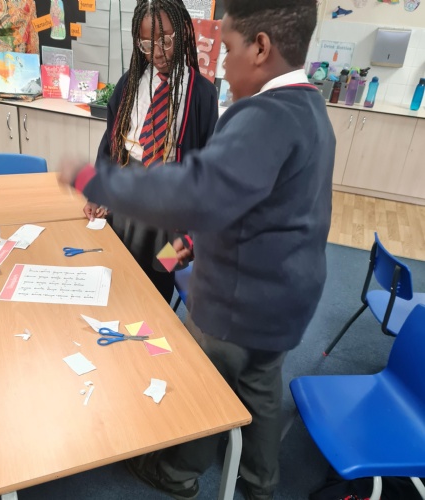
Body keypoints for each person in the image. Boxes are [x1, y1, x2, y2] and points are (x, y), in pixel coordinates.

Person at [63, 0, 335, 498]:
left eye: (228, 49)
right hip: (283, 295)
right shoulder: (309, 108)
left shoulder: (263, 116)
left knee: (203, 380)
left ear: (260, 48)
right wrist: (188, 241)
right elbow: (245, 196)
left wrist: (92, 181)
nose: (223, 64)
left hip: (236, 299)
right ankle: (261, 483)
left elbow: (198, 190)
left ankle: (178, 472)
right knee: (259, 382)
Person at [82, 0, 219, 303]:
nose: (157, 52)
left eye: (165, 40)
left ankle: (154, 320)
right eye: (146, 44)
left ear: (184, 32)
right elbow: (110, 145)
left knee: (159, 280)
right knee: (116, 271)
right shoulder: (129, 84)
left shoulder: (201, 94)